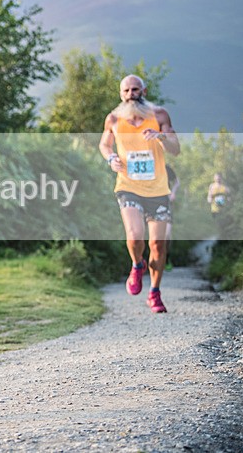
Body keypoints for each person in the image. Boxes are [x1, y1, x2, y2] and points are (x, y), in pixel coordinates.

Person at [99, 75, 180, 313]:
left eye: (135, 89)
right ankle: (137, 264)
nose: (131, 94)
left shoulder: (159, 115)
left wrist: (161, 137)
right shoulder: (113, 118)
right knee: (135, 237)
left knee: (158, 245)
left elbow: (176, 149)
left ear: (143, 90)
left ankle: (154, 292)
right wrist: (111, 158)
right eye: (126, 90)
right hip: (128, 186)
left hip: (158, 189)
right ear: (121, 93)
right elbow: (104, 145)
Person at [164, 165, 179, 271]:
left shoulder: (166, 167)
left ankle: (166, 257)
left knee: (167, 234)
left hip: (166, 202)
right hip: (149, 203)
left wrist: (173, 192)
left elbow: (177, 181)